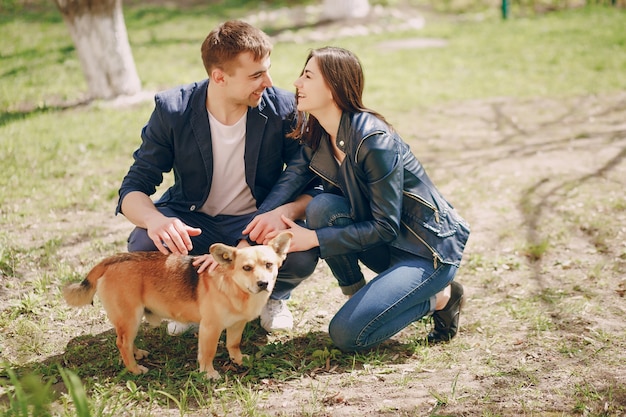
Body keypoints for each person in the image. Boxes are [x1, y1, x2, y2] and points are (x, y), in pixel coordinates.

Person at [115, 20, 320, 334]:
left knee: (302, 251)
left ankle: (273, 297)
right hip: (195, 223)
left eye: (267, 70)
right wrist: (155, 220)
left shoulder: (282, 108)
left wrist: (284, 213)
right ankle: (188, 303)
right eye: (255, 75)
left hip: (256, 220)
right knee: (144, 241)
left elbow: (309, 180)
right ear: (219, 77)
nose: (268, 81)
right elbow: (135, 185)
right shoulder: (173, 110)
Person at [262, 46, 471, 351]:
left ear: (333, 86)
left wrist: (313, 239)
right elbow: (292, 178)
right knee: (322, 206)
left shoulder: (374, 142)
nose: (297, 83)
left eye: (307, 76)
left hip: (425, 251)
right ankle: (356, 299)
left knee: (347, 336)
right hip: (386, 245)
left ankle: (442, 297)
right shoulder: (318, 131)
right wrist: (260, 220)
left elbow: (385, 226)